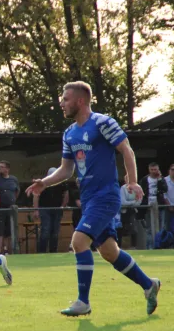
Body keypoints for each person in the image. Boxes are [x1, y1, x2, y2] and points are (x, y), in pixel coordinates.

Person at [26, 81, 160, 317]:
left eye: (65, 99)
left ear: (80, 101)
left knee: (78, 242)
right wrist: (44, 183)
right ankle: (149, 285)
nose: (62, 104)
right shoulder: (69, 133)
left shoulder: (102, 122)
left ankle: (83, 302)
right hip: (89, 199)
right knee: (109, 252)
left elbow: (126, 149)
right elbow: (66, 170)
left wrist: (132, 181)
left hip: (106, 196)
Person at [33, 167, 69, 253]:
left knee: (55, 232)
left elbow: (66, 194)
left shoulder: (62, 183)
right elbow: (36, 195)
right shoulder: (44, 182)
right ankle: (41, 252)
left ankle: (53, 252)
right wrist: (36, 210)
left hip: (56, 209)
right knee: (45, 231)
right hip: (44, 208)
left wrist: (63, 206)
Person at [0, 160, 19, 254]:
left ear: (7, 169)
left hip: (10, 209)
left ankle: (7, 250)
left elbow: (17, 191)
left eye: (2, 167)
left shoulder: (13, 179)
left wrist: (13, 200)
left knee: (9, 230)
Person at [139, 163, 169, 249]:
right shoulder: (145, 179)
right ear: (149, 170)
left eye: (155, 170)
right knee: (149, 228)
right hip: (148, 206)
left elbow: (165, 189)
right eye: (152, 170)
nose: (153, 172)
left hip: (160, 206)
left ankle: (159, 246)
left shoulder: (161, 179)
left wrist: (159, 179)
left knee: (160, 227)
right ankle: (150, 247)